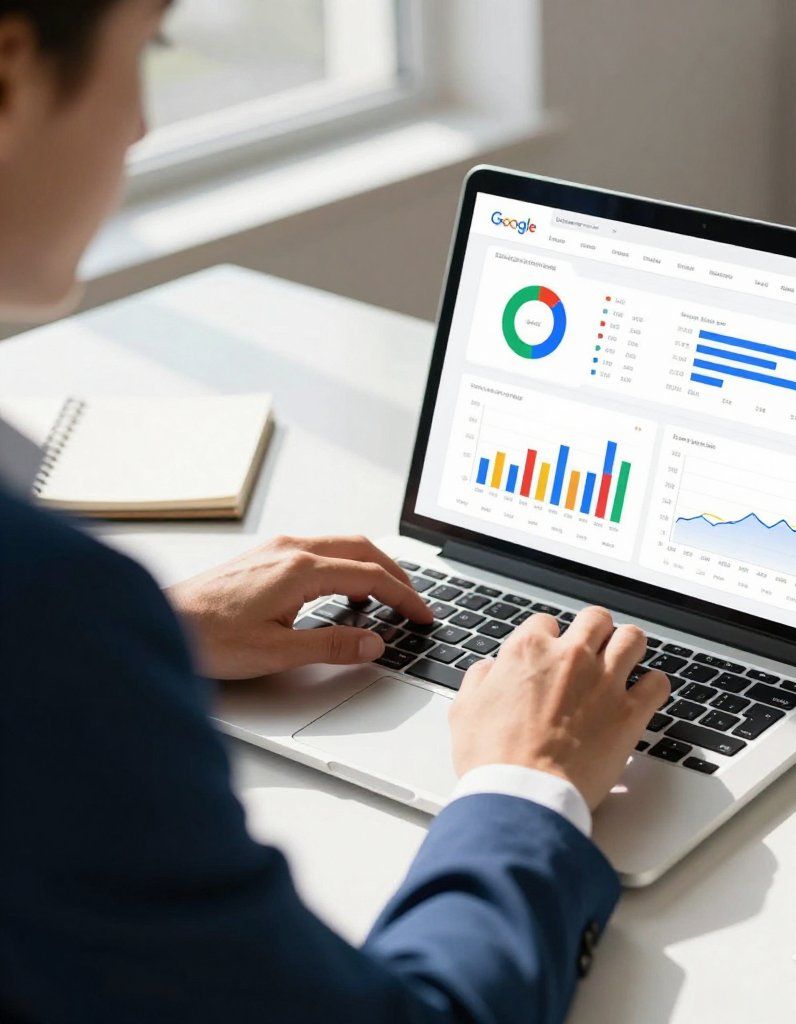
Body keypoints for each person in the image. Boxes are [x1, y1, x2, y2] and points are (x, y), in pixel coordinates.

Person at [0, 3, 669, 1021]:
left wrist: (155, 635)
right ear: (8, 70)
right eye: (147, 46)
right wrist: (527, 783)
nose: (138, 125)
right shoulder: (44, 610)